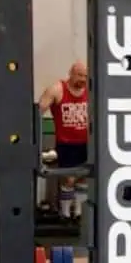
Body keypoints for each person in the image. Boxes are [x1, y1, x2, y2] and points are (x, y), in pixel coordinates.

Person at [37, 61, 89, 219]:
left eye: (86, 76)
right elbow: (38, 110)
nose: (83, 79)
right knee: (69, 179)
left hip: (87, 142)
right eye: (79, 75)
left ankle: (79, 213)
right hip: (66, 143)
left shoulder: (91, 90)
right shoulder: (57, 90)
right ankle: (65, 214)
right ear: (71, 74)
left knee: (84, 177)